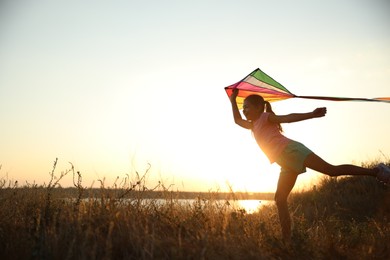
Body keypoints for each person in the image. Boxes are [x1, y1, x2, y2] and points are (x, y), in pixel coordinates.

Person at [229, 88, 390, 242]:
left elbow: (288, 117)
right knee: (279, 199)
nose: (244, 111)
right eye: (243, 108)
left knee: (331, 171)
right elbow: (237, 120)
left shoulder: (265, 117)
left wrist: (312, 114)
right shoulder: (252, 125)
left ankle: (377, 171)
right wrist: (233, 100)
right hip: (285, 163)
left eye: (247, 107)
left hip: (293, 151)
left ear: (259, 107)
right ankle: (287, 241)